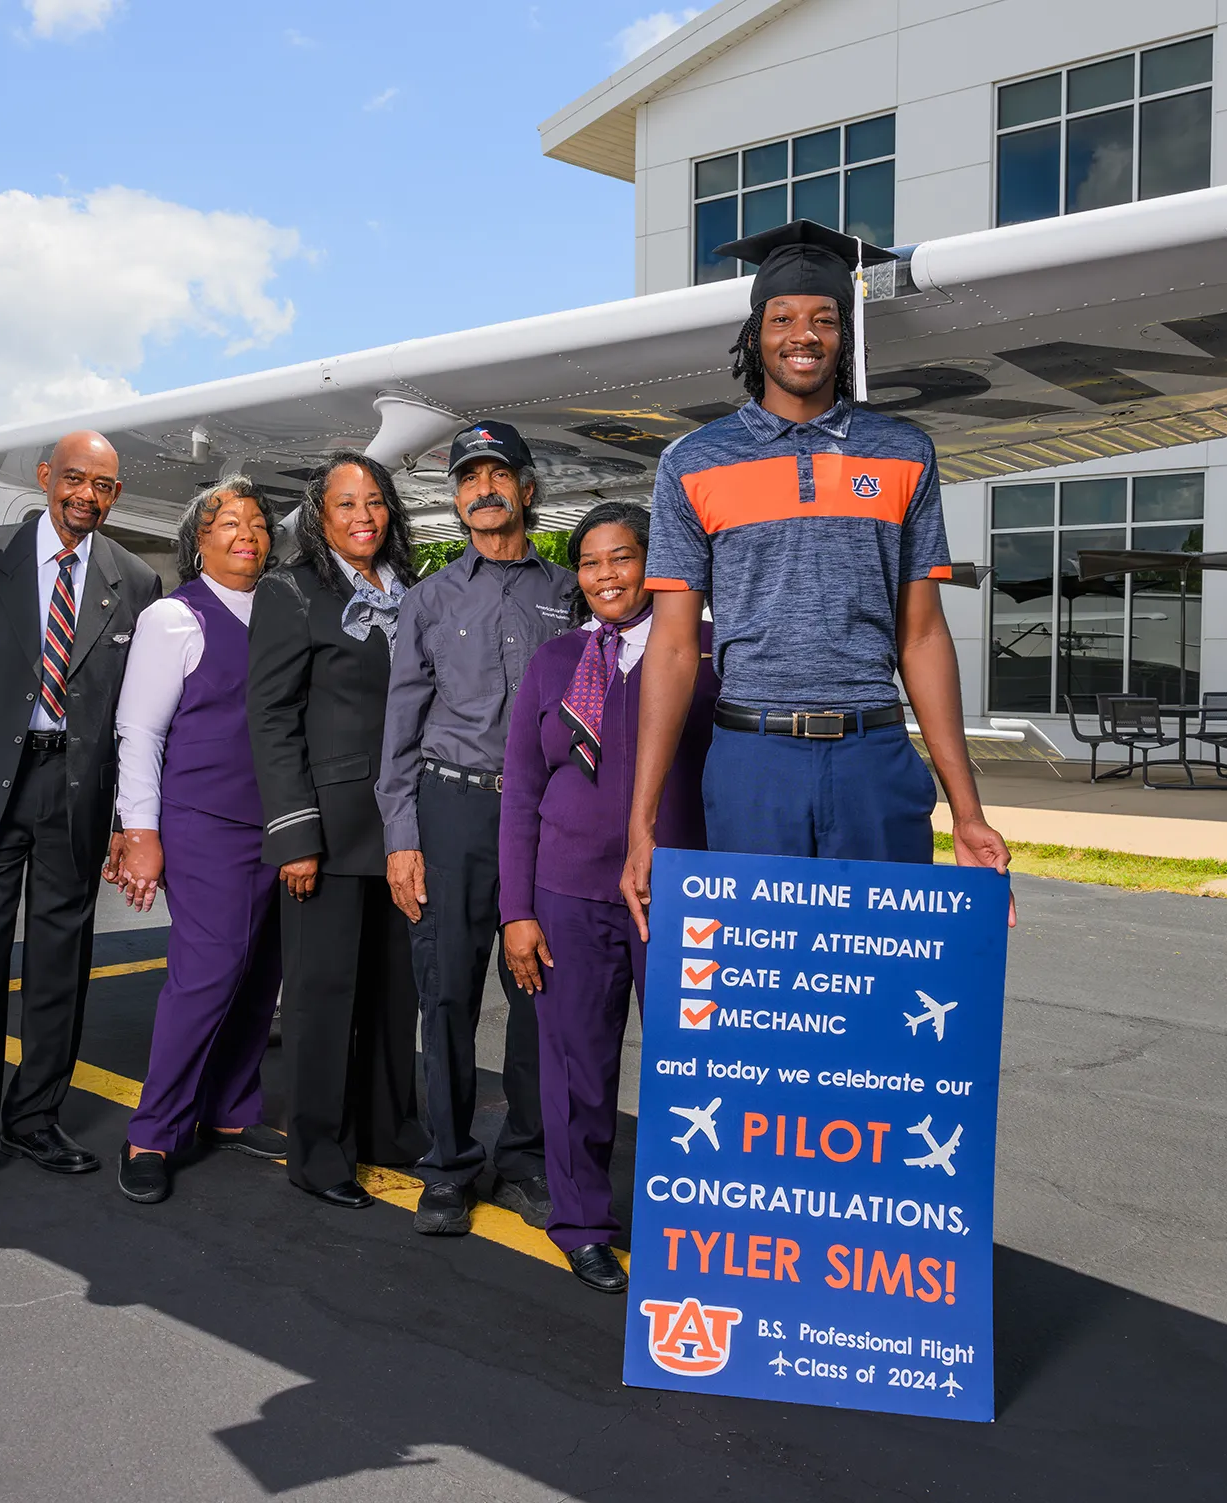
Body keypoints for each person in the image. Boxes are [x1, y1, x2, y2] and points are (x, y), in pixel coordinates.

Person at [619, 219, 1010, 932]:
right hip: (751, 762)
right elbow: (673, 648)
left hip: (875, 758)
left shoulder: (904, 452)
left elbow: (921, 638)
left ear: (845, 337)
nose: (804, 334)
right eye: (783, 318)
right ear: (754, 336)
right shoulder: (693, 462)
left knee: (881, 981)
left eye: (825, 318)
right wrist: (641, 824)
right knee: (761, 984)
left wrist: (969, 811)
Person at [0, 430, 163, 1212]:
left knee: (62, 966)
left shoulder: (137, 580)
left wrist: (130, 818)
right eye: (77, 480)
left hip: (77, 791)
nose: (89, 496)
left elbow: (135, 714)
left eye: (105, 487)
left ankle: (35, 1117)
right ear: (46, 477)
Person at [498, 502, 717, 1292]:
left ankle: (689, 1227)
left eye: (621, 559)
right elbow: (520, 789)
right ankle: (582, 1221)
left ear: (654, 565)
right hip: (565, 897)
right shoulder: (557, 661)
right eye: (589, 564)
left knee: (689, 1075)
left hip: (677, 896)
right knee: (576, 1070)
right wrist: (515, 911)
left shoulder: (702, 652)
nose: (604, 577)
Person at [377, 419, 574, 1238]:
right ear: (455, 498)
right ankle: (450, 1164)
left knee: (540, 993)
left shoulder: (569, 593)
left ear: (527, 490)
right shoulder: (427, 599)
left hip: (543, 816)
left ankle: (527, 1159)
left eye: (498, 475)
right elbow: (400, 724)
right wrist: (400, 836)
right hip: (450, 808)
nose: (482, 490)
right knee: (446, 992)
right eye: (468, 479)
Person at [247, 451, 428, 1208]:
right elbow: (272, 720)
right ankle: (319, 1152)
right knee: (323, 996)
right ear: (320, 517)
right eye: (346, 504)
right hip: (330, 826)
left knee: (397, 994)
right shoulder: (290, 592)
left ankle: (392, 1133)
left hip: (406, 824)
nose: (363, 516)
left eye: (375, 501)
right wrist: (295, 837)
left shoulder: (415, 593)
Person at [105, 479, 288, 1204]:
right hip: (205, 821)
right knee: (209, 970)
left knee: (260, 971)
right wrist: (139, 833)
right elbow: (140, 733)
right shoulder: (173, 619)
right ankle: (152, 1129)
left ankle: (231, 1110)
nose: (245, 532)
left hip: (276, 820)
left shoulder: (281, 611)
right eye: (227, 522)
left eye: (256, 522)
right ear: (200, 541)